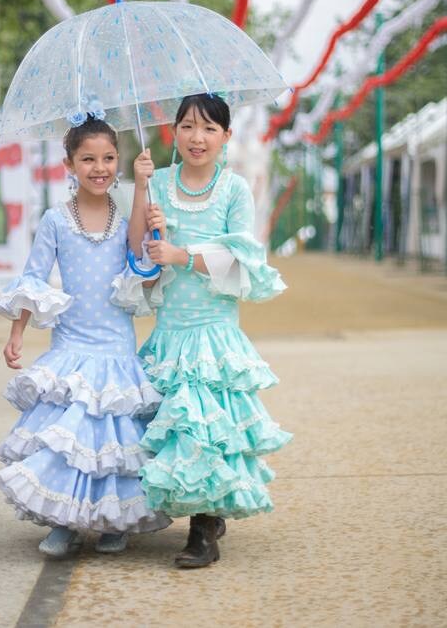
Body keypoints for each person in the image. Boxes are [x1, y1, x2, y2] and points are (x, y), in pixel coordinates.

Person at [0, 115, 169, 558]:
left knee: (114, 442)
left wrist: (144, 188)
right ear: (69, 164)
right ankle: (65, 521)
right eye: (88, 159)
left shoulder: (125, 213)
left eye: (108, 158)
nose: (99, 167)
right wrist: (18, 333)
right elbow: (33, 277)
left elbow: (137, 252)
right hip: (71, 345)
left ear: (120, 161)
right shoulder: (55, 220)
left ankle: (114, 520)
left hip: (115, 345)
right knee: (69, 439)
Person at [124, 93, 292, 568]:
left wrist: (182, 254)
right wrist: (140, 193)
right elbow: (136, 252)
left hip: (214, 334)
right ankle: (201, 515)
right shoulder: (156, 183)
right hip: (169, 332)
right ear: (173, 132)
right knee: (174, 430)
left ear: (225, 137)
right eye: (188, 127)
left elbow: (244, 267)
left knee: (206, 429)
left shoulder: (235, 190)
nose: (197, 138)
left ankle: (202, 531)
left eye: (209, 129)